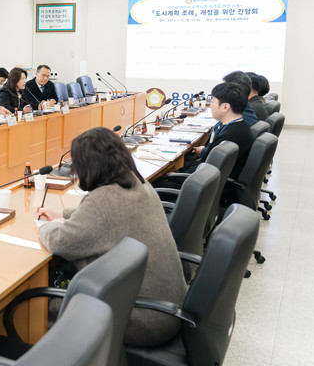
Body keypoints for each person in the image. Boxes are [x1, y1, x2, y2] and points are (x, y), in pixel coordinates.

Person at [36, 126, 187, 346]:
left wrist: (42, 226)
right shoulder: (138, 182)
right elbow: (106, 214)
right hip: (169, 308)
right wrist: (62, 213)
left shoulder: (103, 201)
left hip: (145, 320)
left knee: (40, 308)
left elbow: (60, 242)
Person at [175, 82, 254, 204]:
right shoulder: (236, 127)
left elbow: (207, 169)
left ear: (225, 107)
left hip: (209, 190)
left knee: (158, 182)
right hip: (215, 184)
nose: (211, 105)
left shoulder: (230, 135)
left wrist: (177, 174)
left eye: (213, 102)